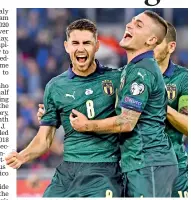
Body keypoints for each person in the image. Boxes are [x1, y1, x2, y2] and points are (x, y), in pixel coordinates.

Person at [5, 19, 123, 197]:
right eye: (75, 43)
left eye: (87, 43)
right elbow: (44, 139)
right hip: (68, 171)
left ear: (97, 46)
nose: (81, 48)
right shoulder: (55, 86)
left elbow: (129, 120)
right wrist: (23, 156)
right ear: (67, 46)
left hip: (104, 170)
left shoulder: (117, 79)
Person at [70, 11, 178, 197]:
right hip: (138, 163)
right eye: (132, 21)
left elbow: (126, 122)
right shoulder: (132, 68)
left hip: (149, 162)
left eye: (139, 25)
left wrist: (87, 125)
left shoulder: (142, 71)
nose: (129, 25)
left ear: (151, 40)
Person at [154, 22, 188, 198]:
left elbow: (188, 126)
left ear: (171, 46)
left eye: (156, 42)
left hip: (175, 167)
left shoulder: (183, 79)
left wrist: (161, 106)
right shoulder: (129, 75)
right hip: (138, 167)